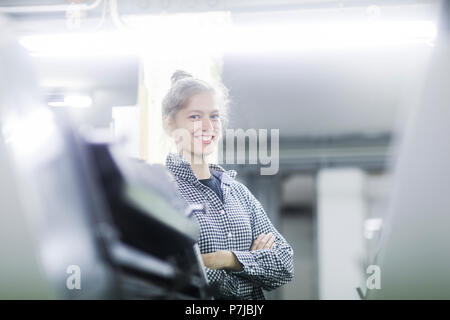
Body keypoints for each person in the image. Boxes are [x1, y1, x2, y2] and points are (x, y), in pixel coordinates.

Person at [162, 70, 294, 300]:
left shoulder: (237, 192)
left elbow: (284, 264)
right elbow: (174, 276)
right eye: (195, 116)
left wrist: (225, 259)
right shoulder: (165, 189)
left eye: (214, 116)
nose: (208, 126)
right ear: (171, 125)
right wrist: (252, 265)